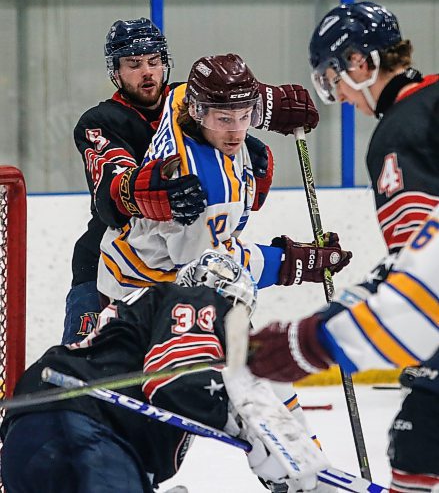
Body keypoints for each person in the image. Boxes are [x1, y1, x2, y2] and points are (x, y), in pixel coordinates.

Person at [247, 1, 439, 492]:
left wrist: (317, 337)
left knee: (417, 442)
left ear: (359, 62)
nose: (342, 98)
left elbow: (422, 276)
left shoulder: (402, 129)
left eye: (333, 81)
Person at [65, 17, 321, 345]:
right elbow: (113, 190)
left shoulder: (191, 103)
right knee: (85, 368)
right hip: (113, 266)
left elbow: (233, 98)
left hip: (188, 262)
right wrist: (148, 191)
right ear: (115, 72)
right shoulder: (101, 121)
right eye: (133, 64)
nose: (147, 72)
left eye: (154, 62)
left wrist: (269, 107)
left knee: (212, 373)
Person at [0, 251, 320, 493]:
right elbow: (173, 380)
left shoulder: (151, 319)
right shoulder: (197, 299)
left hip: (27, 443)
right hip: (84, 433)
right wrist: (248, 427)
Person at [97, 52, 351, 304]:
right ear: (198, 111)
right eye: (224, 119)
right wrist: (293, 262)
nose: (236, 133)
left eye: (246, 116)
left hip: (133, 259)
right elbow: (210, 271)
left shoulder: (177, 103)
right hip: (143, 293)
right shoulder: (205, 189)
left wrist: (270, 104)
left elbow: (200, 88)